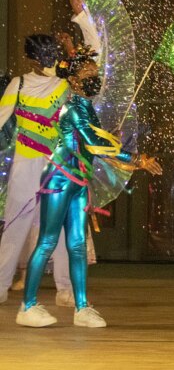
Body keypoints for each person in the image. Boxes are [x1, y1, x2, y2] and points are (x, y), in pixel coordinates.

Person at [15, 46, 162, 328]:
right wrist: (136, 159)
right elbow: (96, 144)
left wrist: (113, 143)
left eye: (95, 73)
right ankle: (28, 306)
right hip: (59, 179)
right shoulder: (72, 108)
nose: (94, 77)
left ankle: (82, 308)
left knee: (78, 244)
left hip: (79, 180)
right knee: (47, 241)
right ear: (73, 79)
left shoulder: (87, 108)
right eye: (87, 73)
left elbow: (97, 143)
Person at [0, 0, 101, 307]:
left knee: (23, 229)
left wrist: (83, 17)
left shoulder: (32, 84)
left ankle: (61, 288)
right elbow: (93, 56)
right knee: (49, 229)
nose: (52, 59)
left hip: (39, 167)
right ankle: (63, 289)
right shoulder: (59, 86)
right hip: (51, 168)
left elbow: (93, 58)